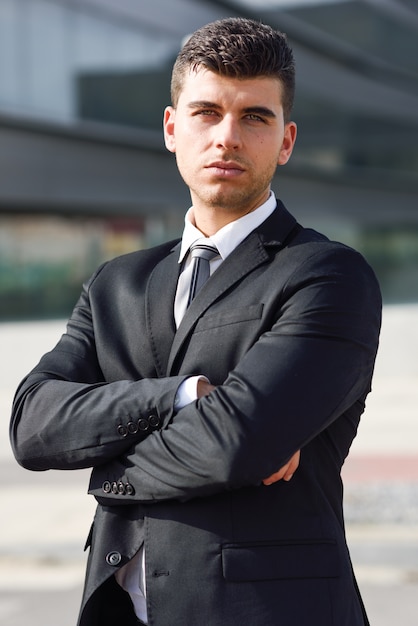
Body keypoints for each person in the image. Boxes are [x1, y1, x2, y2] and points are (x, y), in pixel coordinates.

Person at [10, 17, 381, 626]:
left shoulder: (327, 276)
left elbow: (237, 444)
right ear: (171, 127)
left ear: (286, 142)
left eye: (254, 117)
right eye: (206, 112)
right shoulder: (117, 284)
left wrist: (103, 461)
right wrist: (182, 398)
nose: (227, 137)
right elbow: (32, 426)